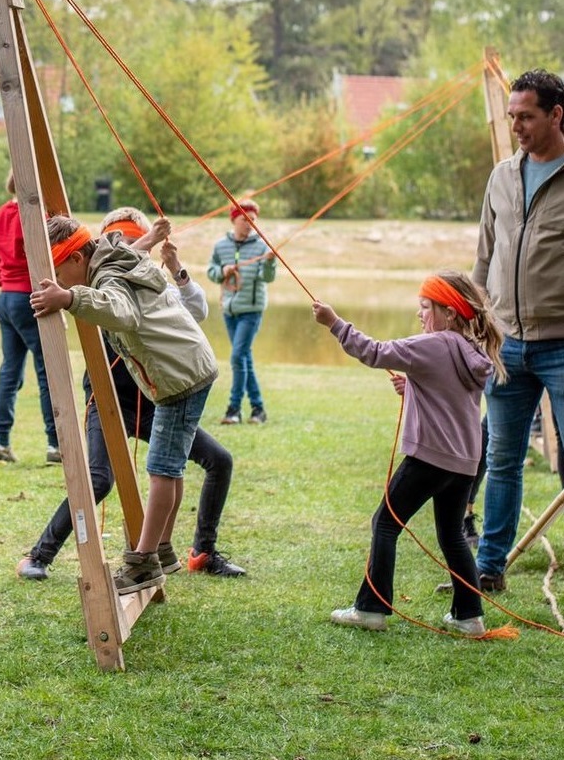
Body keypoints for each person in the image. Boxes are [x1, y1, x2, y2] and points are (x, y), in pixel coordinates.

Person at [16, 208, 244, 582]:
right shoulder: (113, 261)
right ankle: (43, 555)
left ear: (78, 259)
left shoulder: (109, 276)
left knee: (165, 470)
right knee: (113, 476)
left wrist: (69, 297)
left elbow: (121, 311)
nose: (54, 282)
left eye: (57, 273)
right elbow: (125, 253)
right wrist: (149, 239)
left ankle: (146, 561)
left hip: (168, 385)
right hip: (132, 391)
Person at [313, 272, 503, 636]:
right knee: (451, 534)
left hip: (430, 458)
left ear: (449, 312)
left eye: (426, 307)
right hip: (464, 463)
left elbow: (374, 352)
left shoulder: (434, 344)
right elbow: (448, 394)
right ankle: (469, 617)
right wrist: (414, 387)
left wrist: (334, 323)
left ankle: (371, 609)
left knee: (384, 523)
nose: (420, 314)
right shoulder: (471, 349)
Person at [472, 67, 564, 593]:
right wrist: (477, 324)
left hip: (561, 346)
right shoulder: (501, 177)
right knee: (502, 459)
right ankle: (489, 568)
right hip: (506, 345)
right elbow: (484, 257)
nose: (516, 127)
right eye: (511, 116)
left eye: (526, 116)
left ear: (557, 114)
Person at [0, 169, 58, 464]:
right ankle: (55, 445)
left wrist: (7, 285)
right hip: (30, 297)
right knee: (47, 372)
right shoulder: (38, 215)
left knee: (9, 372)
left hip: (6, 298)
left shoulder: (0, 214)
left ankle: (0, 442)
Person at [208, 198, 276, 425]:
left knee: (238, 356)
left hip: (251, 311)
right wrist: (223, 271)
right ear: (234, 220)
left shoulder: (262, 246)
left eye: (253, 220)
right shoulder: (221, 246)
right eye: (245, 220)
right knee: (244, 358)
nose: (250, 224)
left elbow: (268, 278)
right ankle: (258, 409)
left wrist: (270, 262)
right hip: (229, 310)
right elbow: (211, 271)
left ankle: (234, 409)